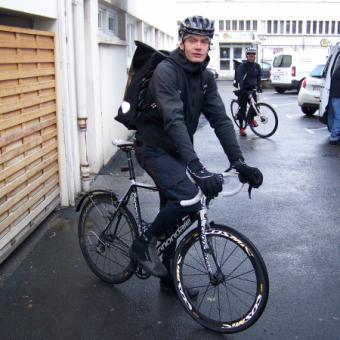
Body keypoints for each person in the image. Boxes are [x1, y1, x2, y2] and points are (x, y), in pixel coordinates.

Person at [129, 15, 263, 293]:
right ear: (182, 41)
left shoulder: (205, 77)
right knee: (189, 196)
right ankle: (142, 245)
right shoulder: (166, 72)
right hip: (152, 147)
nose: (199, 46)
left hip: (177, 149)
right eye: (193, 40)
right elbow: (174, 120)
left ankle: (169, 280)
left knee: (176, 209)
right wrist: (197, 167)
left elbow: (221, 120)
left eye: (204, 41)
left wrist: (239, 162)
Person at [235, 47, 262, 136]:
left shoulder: (257, 66)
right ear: (247, 56)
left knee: (255, 107)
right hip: (243, 90)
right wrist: (242, 89)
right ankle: (242, 128)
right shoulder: (242, 66)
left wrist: (259, 86)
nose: (251, 57)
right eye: (250, 55)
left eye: (253, 55)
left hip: (252, 89)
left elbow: (258, 78)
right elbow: (240, 78)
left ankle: (251, 119)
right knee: (242, 110)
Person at [328, 60, 340, 145]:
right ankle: (334, 136)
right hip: (337, 96)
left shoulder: (337, 69)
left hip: (334, 96)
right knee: (338, 117)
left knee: (335, 116)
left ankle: (334, 134)